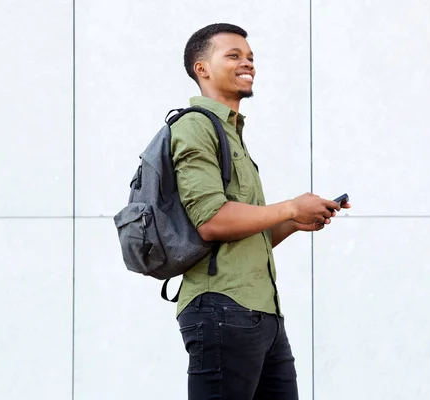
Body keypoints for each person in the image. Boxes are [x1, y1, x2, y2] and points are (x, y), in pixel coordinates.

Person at [170, 23, 350, 400]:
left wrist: (292, 222)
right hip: (222, 308)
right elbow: (212, 221)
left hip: (261, 314)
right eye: (233, 55)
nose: (247, 63)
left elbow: (243, 237)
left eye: (250, 57)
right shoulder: (194, 128)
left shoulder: (231, 133)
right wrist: (288, 206)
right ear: (201, 69)